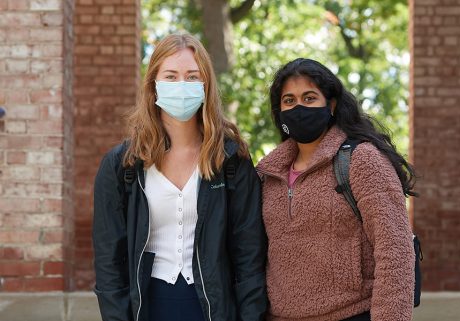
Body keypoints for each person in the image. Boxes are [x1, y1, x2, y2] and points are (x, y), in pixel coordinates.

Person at [92, 33, 267, 321]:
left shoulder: (231, 161)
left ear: (206, 84)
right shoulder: (122, 165)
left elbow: (249, 258)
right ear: (154, 86)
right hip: (148, 305)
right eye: (171, 77)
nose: (182, 86)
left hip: (214, 307)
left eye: (192, 77)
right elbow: (109, 262)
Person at [256, 58, 416, 321]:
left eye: (309, 98)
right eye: (289, 100)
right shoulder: (267, 175)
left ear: (330, 105)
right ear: (280, 111)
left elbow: (395, 251)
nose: (298, 108)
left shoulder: (361, 160)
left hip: (352, 313)